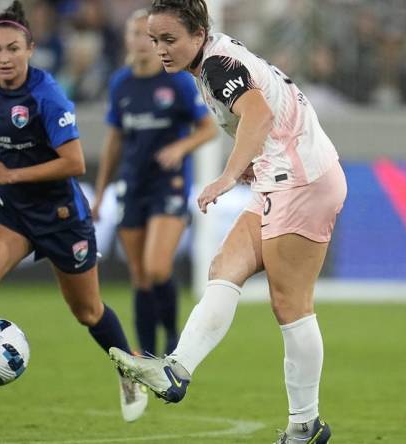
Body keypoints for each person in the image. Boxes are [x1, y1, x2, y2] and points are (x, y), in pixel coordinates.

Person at [109, 1, 346, 443]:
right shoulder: (213, 61)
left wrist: (227, 175)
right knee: (225, 268)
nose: (159, 49)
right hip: (285, 175)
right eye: (154, 39)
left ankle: (305, 425)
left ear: (198, 34)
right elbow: (269, 114)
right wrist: (253, 162)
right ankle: (176, 370)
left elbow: (259, 115)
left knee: (290, 304)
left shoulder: (217, 65)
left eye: (169, 40)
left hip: (302, 180)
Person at [0, 0, 147, 424]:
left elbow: (75, 163)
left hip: (59, 215)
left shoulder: (46, 95)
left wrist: (11, 175)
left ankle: (130, 368)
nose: (3, 58)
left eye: (12, 49)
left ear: (30, 49)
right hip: (11, 212)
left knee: (87, 312)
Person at [92, 9, 216, 357]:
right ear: (127, 40)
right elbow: (115, 140)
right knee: (140, 276)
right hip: (132, 184)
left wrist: (180, 146)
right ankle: (147, 356)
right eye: (136, 35)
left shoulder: (175, 80)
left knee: (157, 267)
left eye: (151, 37)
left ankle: (174, 338)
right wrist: (100, 194)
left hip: (169, 184)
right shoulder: (120, 83)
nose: (143, 43)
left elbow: (206, 129)